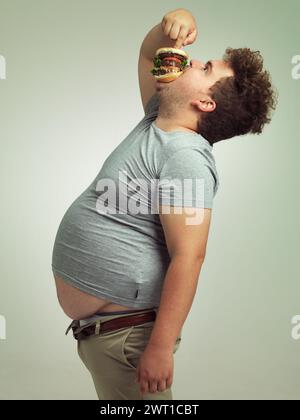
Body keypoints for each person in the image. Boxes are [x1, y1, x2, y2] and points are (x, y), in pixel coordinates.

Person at [51, 8, 277, 400]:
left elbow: (189, 255)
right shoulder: (158, 118)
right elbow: (147, 56)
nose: (191, 60)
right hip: (108, 337)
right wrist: (170, 22)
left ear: (205, 103)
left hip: (131, 341)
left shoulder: (185, 156)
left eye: (205, 68)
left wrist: (159, 347)